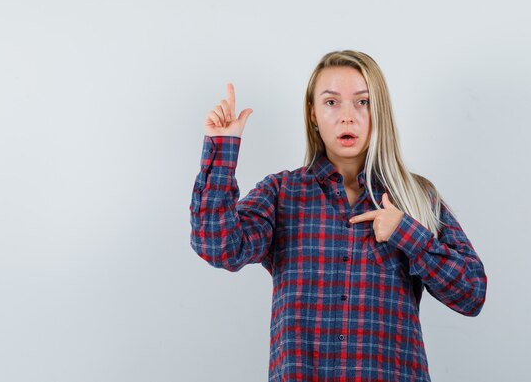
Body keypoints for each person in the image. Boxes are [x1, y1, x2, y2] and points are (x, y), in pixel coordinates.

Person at [189, 50, 487, 381]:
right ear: (313, 113)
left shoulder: (415, 197)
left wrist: (406, 232)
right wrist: (222, 146)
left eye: (363, 102)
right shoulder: (281, 193)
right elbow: (218, 246)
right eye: (332, 102)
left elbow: (472, 293)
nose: (348, 116)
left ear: (380, 112)